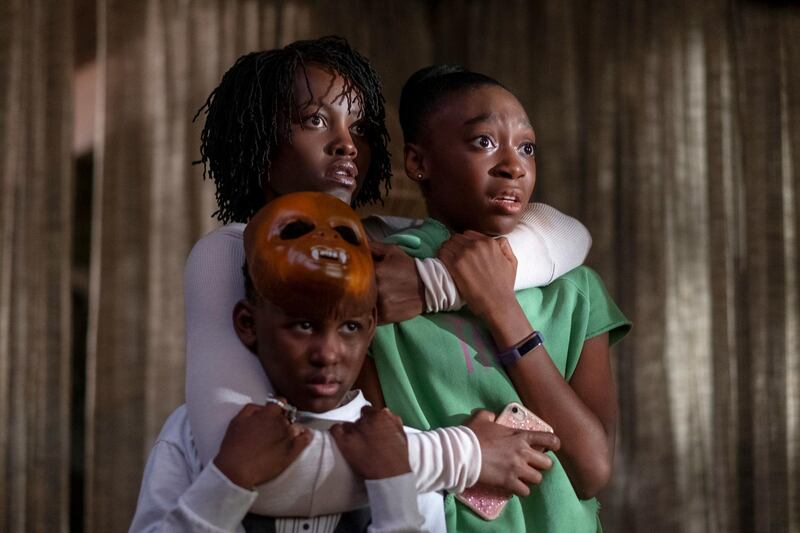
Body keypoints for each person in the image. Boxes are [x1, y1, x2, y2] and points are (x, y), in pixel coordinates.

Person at [186, 36, 592, 514]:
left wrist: (434, 284)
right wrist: (466, 453)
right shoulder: (226, 251)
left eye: (359, 127)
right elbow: (252, 474)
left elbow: (569, 235)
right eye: (316, 120)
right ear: (256, 137)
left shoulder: (379, 240)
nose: (347, 144)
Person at [363, 65, 632, 532]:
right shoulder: (385, 276)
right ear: (418, 162)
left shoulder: (576, 290)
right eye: (484, 142)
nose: (514, 165)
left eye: (526, 147)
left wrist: (502, 308)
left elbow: (591, 471)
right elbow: (368, 452)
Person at [130, 192, 451, 531]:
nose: (327, 353)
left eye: (350, 327)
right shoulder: (195, 434)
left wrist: (393, 485)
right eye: (304, 325)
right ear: (247, 324)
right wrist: (228, 477)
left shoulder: (399, 449)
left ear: (371, 328)